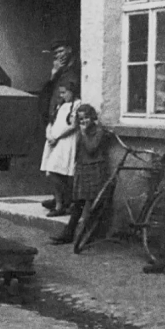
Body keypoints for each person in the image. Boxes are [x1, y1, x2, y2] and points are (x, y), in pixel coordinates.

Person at [50, 104, 110, 245]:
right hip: (83, 168)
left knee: (94, 203)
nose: (84, 121)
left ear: (92, 117)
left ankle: (87, 236)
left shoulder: (99, 131)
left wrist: (83, 134)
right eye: (81, 119)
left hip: (95, 168)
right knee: (78, 203)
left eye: (86, 118)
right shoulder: (80, 131)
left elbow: (91, 149)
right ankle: (68, 234)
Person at [41, 39, 80, 211]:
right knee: (54, 167)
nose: (59, 56)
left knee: (62, 166)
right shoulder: (60, 71)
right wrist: (53, 75)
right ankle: (59, 198)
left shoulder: (75, 68)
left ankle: (65, 200)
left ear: (70, 50)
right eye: (56, 53)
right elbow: (49, 94)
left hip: (66, 124)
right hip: (55, 119)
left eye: (61, 51)